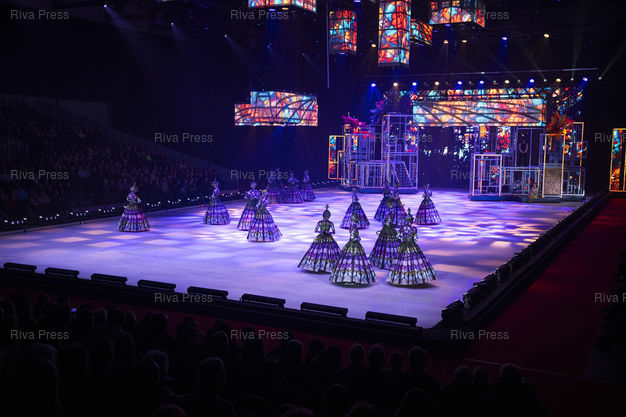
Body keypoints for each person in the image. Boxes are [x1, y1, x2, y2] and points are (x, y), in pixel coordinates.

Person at [387, 209, 437, 286]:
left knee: (401, 260)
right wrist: (410, 239)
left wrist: (403, 239)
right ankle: (414, 278)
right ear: (411, 220)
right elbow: (416, 239)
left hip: (403, 245)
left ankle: (401, 278)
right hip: (411, 244)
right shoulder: (414, 228)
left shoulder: (402, 228)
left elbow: (398, 236)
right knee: (414, 260)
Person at [330, 213, 376, 286]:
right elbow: (353, 237)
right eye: (357, 219)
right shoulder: (354, 227)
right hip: (354, 244)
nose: (358, 221)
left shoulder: (352, 226)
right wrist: (358, 238)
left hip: (353, 244)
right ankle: (351, 278)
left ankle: (350, 277)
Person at [298, 205, 341, 273]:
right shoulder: (329, 223)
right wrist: (326, 232)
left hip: (322, 237)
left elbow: (316, 230)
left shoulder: (321, 222)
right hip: (327, 238)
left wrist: (321, 232)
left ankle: (319, 265)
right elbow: (333, 232)